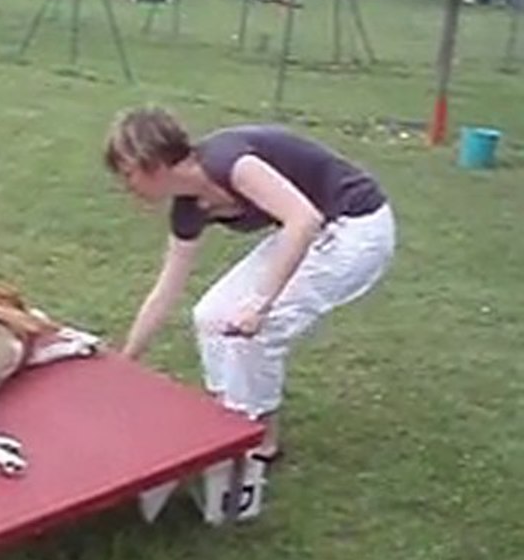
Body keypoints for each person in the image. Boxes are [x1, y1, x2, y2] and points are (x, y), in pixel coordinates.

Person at [103, 107, 395, 510]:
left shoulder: (228, 162)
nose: (125, 185)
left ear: (148, 162)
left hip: (355, 227)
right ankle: (232, 422)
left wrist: (260, 303)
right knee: (210, 316)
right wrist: (127, 359)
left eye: (126, 173)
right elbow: (167, 288)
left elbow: (302, 219)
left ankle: (255, 444)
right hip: (312, 228)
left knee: (253, 331)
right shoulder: (188, 207)